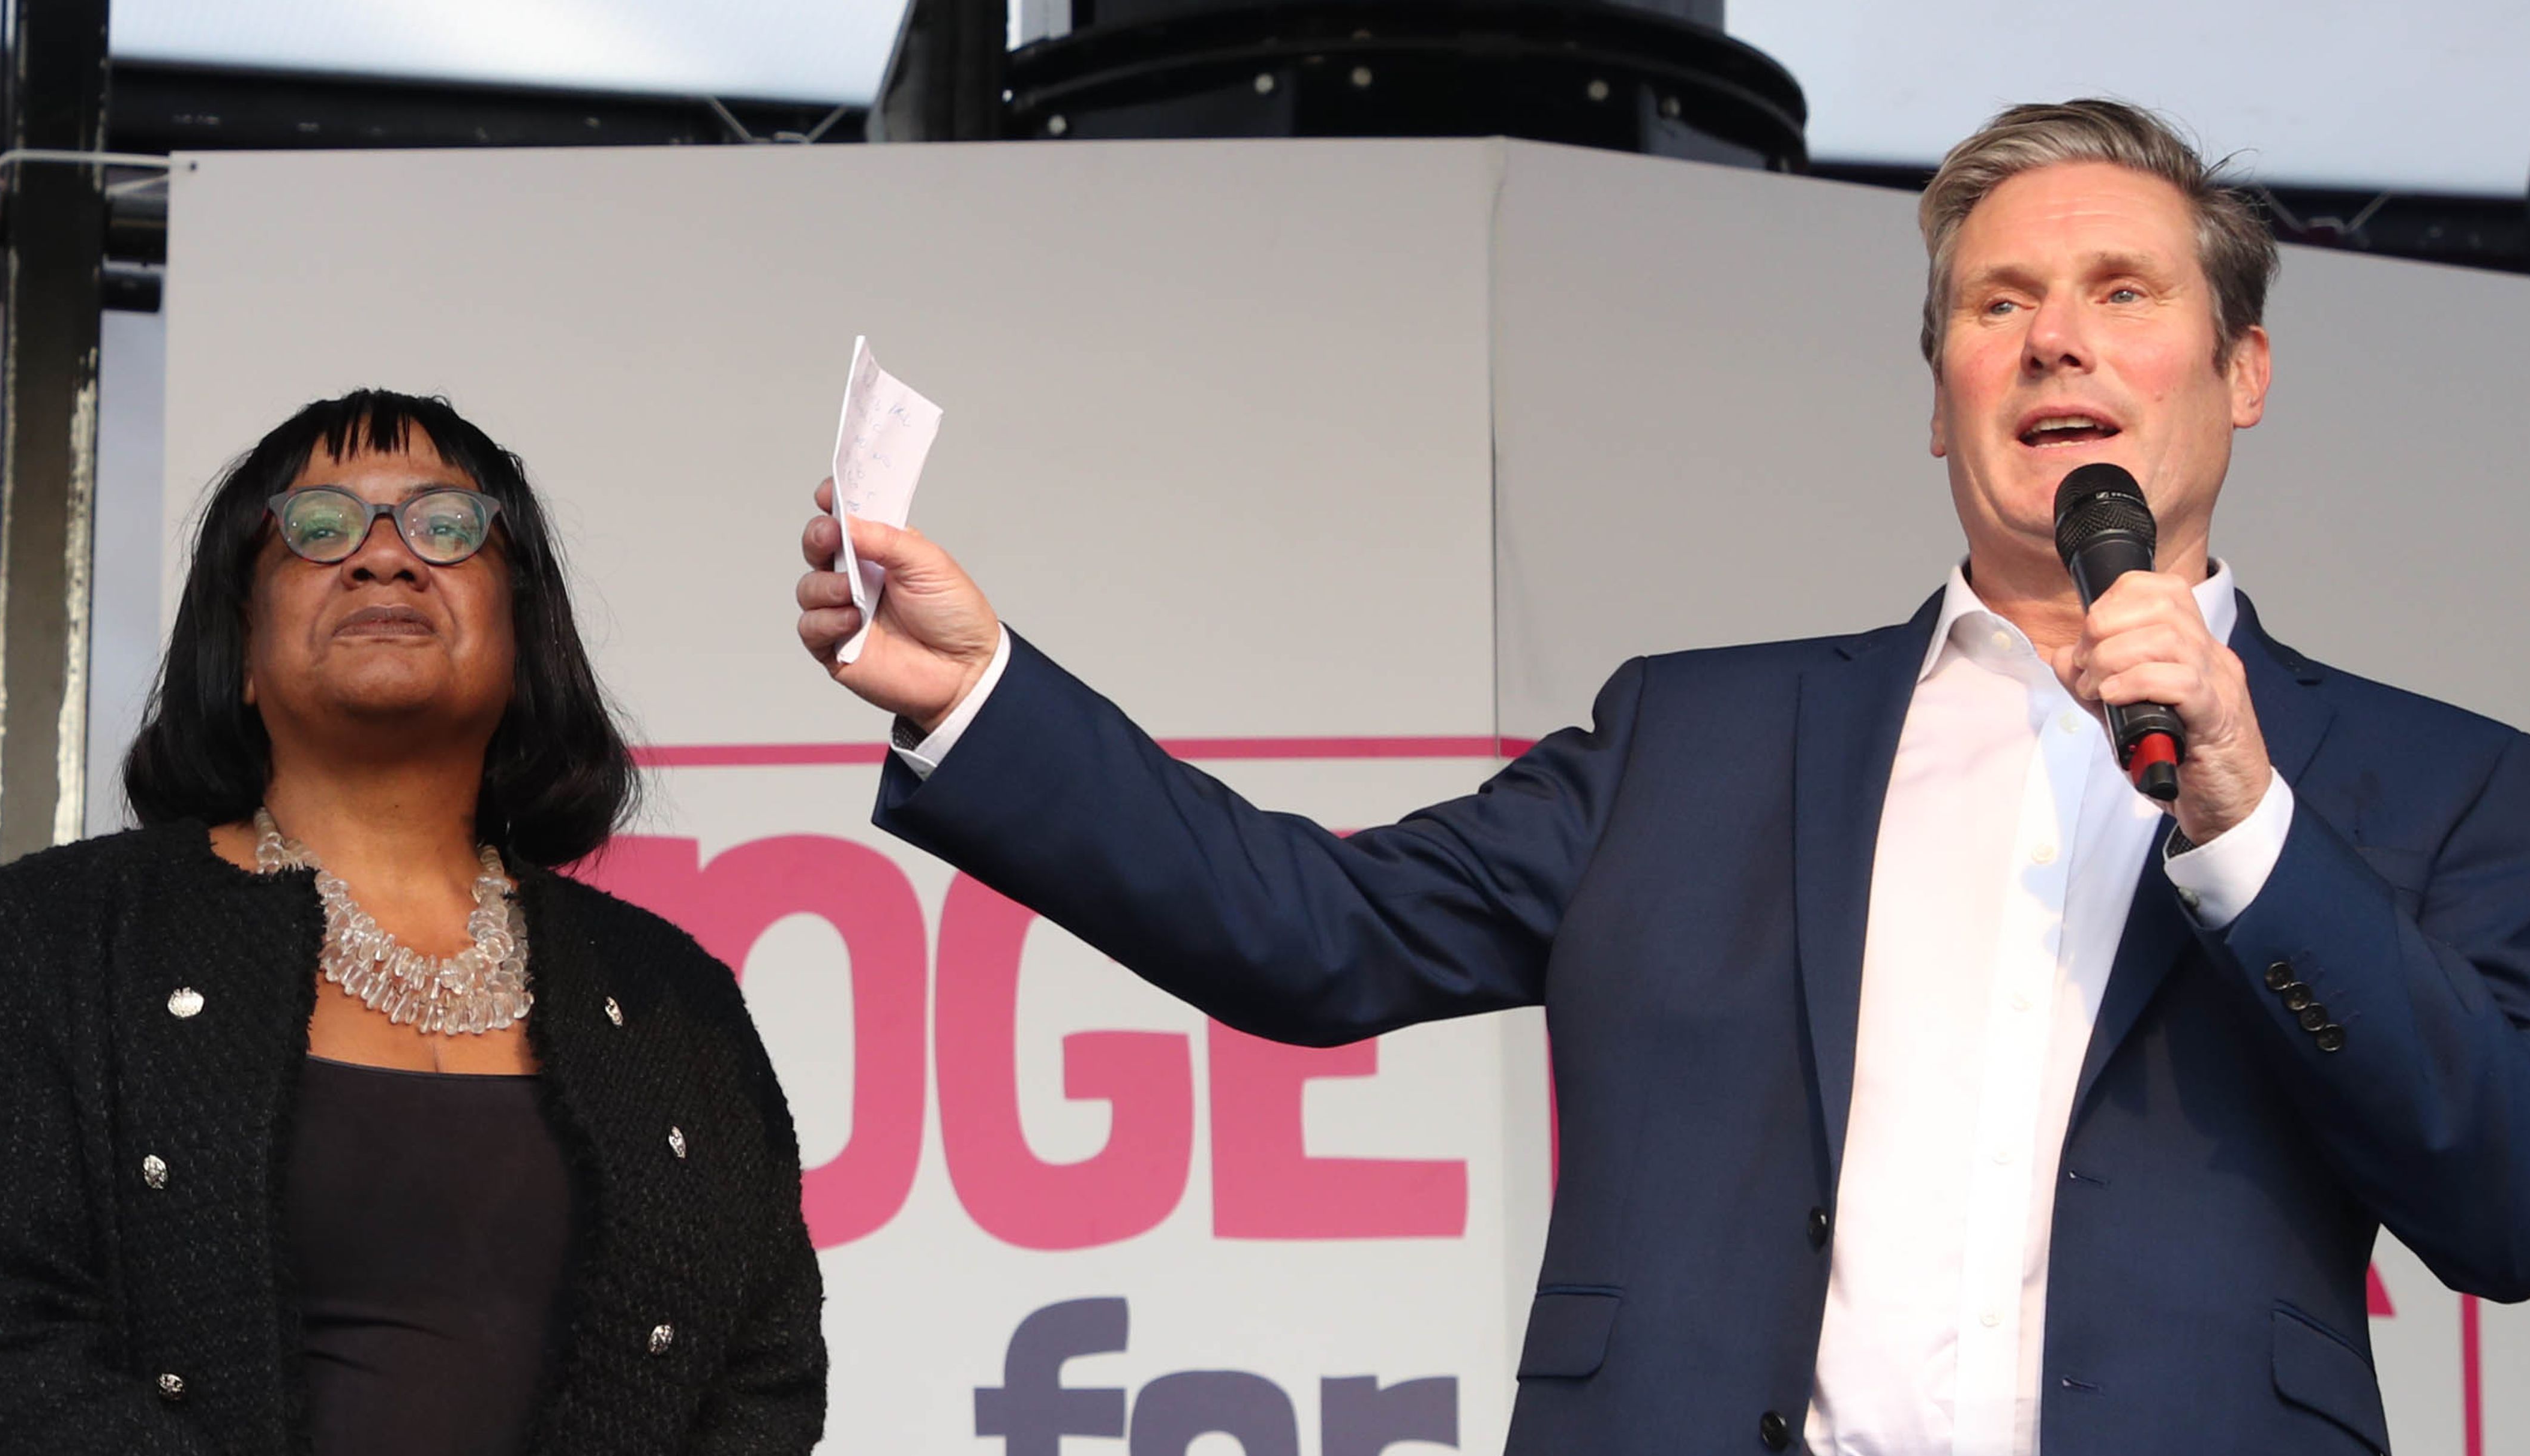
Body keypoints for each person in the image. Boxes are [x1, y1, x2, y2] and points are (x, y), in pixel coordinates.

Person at [793, 101, 2529, 1455]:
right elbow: (1304, 930)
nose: (2053, 342)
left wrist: (2244, 824)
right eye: (1997, 305)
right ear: (1939, 398)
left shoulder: (2431, 786)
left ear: (2241, 374)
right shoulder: (1696, 743)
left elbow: (2504, 1194)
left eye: (2119, 296)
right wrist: (981, 698)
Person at [0, 391, 826, 1455]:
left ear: (521, 641)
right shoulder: (47, 942)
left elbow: (764, 1371)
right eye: (320, 528)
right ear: (239, 647)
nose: (385, 558)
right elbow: (4, 1338)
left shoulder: (673, 998)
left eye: (446, 526)